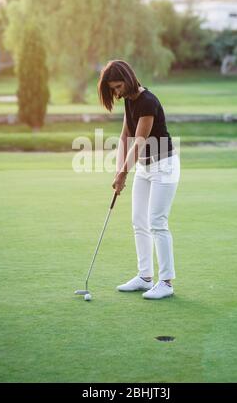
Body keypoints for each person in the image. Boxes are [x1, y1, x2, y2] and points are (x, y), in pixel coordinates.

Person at [97, 59, 180, 299]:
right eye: (112, 89)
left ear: (128, 79)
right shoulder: (129, 101)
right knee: (138, 221)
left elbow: (140, 142)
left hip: (164, 166)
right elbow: (125, 137)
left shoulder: (147, 102)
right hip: (144, 167)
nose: (116, 93)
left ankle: (166, 282)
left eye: (117, 87)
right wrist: (118, 171)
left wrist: (124, 173)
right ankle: (145, 277)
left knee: (157, 222)